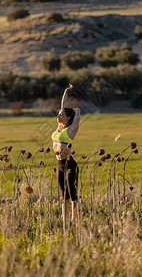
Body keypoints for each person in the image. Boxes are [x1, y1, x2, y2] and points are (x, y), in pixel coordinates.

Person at [51, 84, 80, 222]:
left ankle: (75, 220)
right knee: (64, 195)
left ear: (68, 118)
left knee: (72, 195)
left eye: (61, 114)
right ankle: (65, 221)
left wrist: (75, 109)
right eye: (59, 113)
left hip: (69, 164)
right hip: (59, 164)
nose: (58, 115)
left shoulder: (70, 130)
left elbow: (76, 115)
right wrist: (65, 92)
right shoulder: (59, 128)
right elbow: (63, 106)